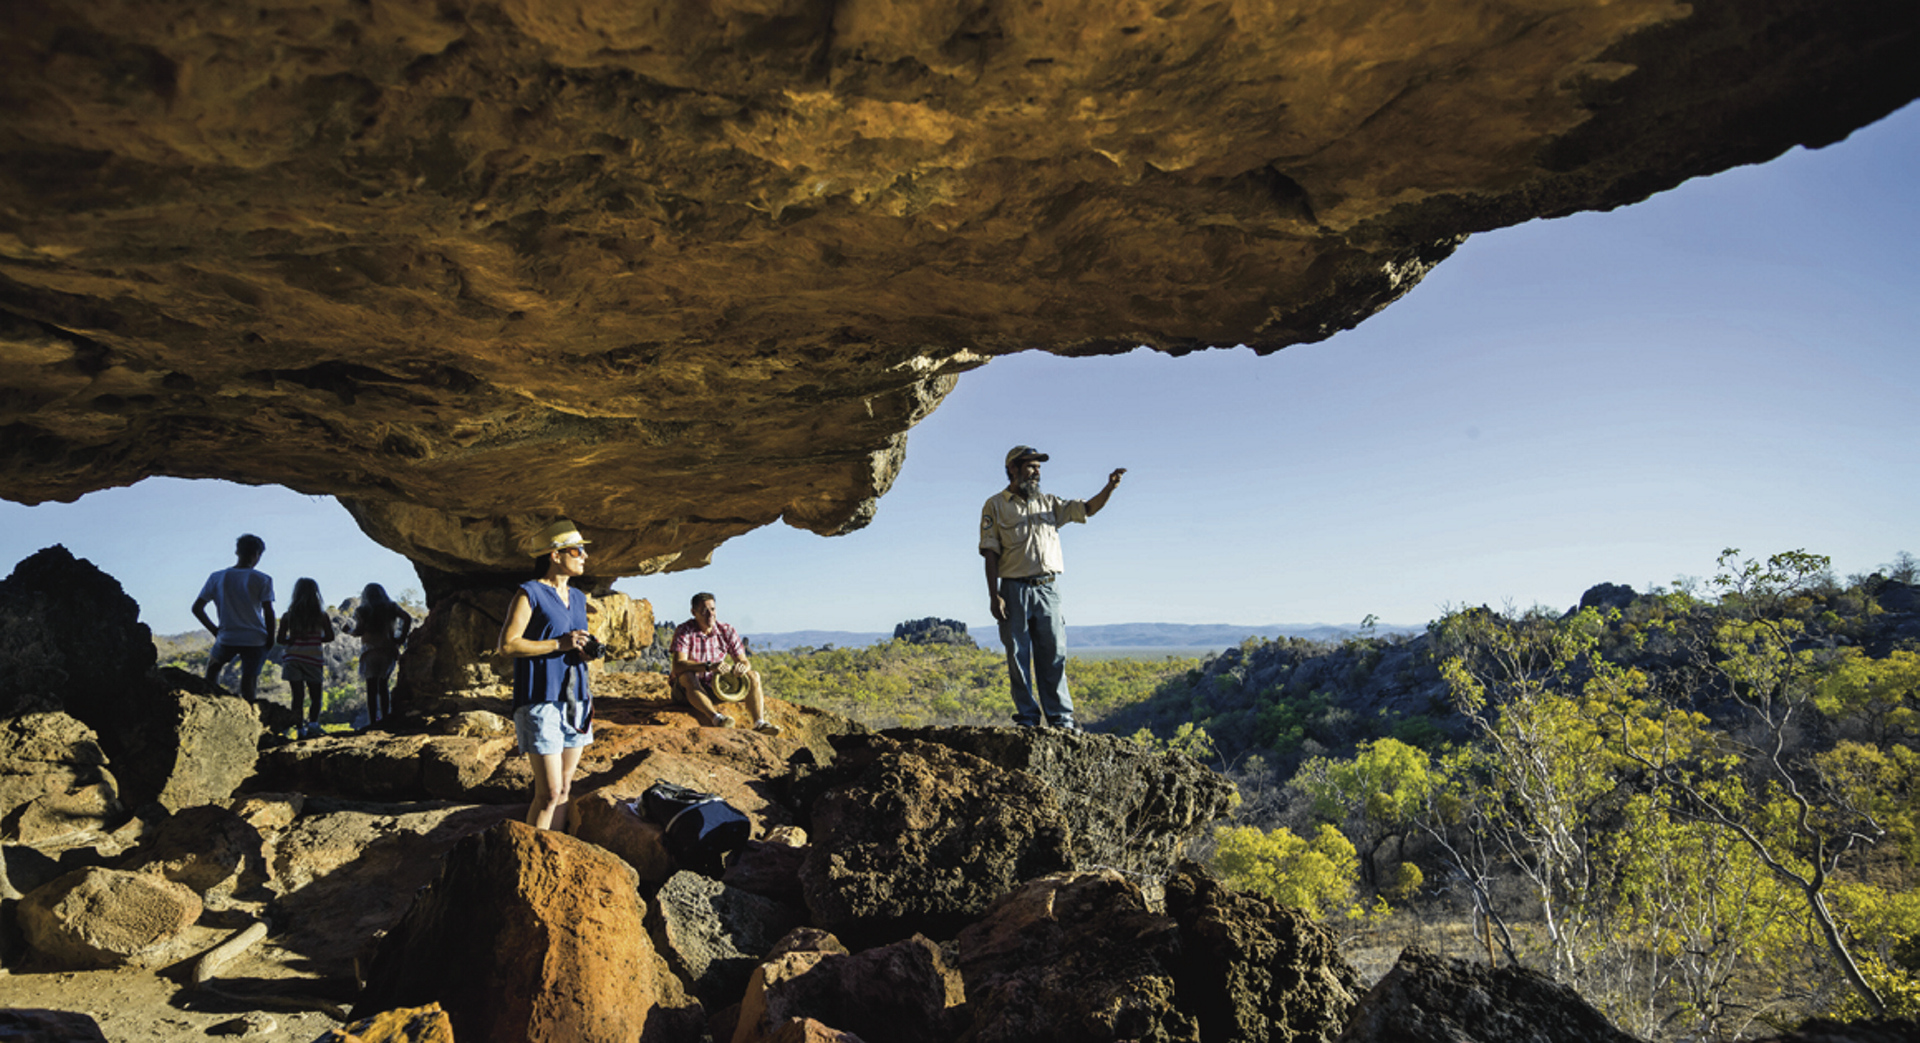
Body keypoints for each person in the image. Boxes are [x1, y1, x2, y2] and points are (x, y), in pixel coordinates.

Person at [979, 446, 1125, 728]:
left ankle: (1061, 720)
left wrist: (1110, 487)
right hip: (1013, 590)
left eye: (1038, 467)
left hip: (1048, 590)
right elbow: (990, 553)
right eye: (1031, 466)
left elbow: (1088, 509)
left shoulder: (1050, 503)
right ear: (1013, 468)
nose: (1037, 472)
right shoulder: (995, 505)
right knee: (1018, 656)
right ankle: (1028, 719)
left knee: (1054, 654)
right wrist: (994, 595)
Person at [497, 520, 602, 831]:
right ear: (555, 555)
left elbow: (572, 641)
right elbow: (507, 644)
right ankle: (532, 852)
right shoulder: (530, 593)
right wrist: (559, 644)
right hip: (540, 699)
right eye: (577, 550)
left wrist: (584, 650)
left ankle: (553, 848)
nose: (585, 556)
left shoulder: (578, 597)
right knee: (549, 793)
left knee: (566, 789)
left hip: (576, 700)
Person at [670, 592, 781, 735]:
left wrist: (742, 667)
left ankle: (759, 723)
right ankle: (716, 719)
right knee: (687, 676)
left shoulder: (726, 630)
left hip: (717, 688)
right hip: (685, 692)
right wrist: (708, 666)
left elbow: (744, 661)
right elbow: (678, 666)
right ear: (694, 612)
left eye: (713, 609)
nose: (710, 614)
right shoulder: (684, 631)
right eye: (704, 611)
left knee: (753, 676)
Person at [193, 534, 277, 702]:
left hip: (227, 637)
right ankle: (249, 711)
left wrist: (215, 631)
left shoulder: (217, 577)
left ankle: (211, 701)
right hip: (255, 638)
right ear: (256, 555)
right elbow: (269, 612)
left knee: (213, 669)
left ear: (237, 552)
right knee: (249, 681)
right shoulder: (263, 579)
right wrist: (270, 637)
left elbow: (197, 608)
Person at [347, 583, 412, 726]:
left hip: (370, 652)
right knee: (383, 686)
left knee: (371, 688)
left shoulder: (362, 610)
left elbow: (359, 631)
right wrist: (400, 638)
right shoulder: (391, 607)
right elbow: (407, 618)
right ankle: (385, 718)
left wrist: (349, 631)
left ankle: (373, 721)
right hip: (388, 650)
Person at [280, 578, 335, 738]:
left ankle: (299, 729)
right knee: (316, 696)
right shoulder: (321, 616)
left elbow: (280, 639)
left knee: (297, 697)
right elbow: (330, 637)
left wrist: (292, 640)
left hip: (293, 658)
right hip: (313, 659)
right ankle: (313, 725)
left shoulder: (288, 616)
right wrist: (316, 639)